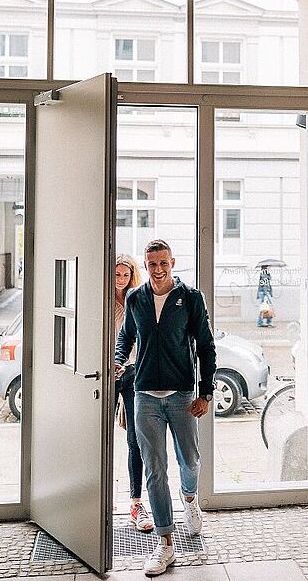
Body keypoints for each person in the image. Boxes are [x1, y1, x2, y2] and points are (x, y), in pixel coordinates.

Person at [114, 239, 216, 577]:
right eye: (152, 264)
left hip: (182, 395)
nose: (158, 270)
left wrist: (206, 392)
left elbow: (206, 346)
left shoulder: (190, 298)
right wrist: (118, 361)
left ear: (172, 263)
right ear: (145, 265)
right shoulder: (136, 298)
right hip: (144, 395)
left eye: (163, 264)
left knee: (190, 460)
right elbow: (126, 336)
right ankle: (166, 543)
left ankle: (189, 499)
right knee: (154, 470)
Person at [112, 254, 153, 532]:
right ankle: (96, 500)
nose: (121, 280)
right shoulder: (101, 300)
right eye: (116, 275)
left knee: (135, 439)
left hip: (132, 372)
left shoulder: (136, 301)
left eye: (126, 275)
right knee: (96, 439)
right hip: (106, 374)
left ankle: (136, 503)